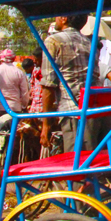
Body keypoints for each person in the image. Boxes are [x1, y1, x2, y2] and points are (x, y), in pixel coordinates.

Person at [39, 14, 99, 152]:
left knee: (75, 161)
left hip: (72, 110)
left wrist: (46, 125)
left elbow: (48, 86)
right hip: (93, 109)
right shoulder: (90, 42)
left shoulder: (53, 41)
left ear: (64, 18)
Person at [0, 49, 30, 114]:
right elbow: (24, 93)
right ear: (13, 58)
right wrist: (24, 106)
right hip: (14, 108)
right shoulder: (19, 72)